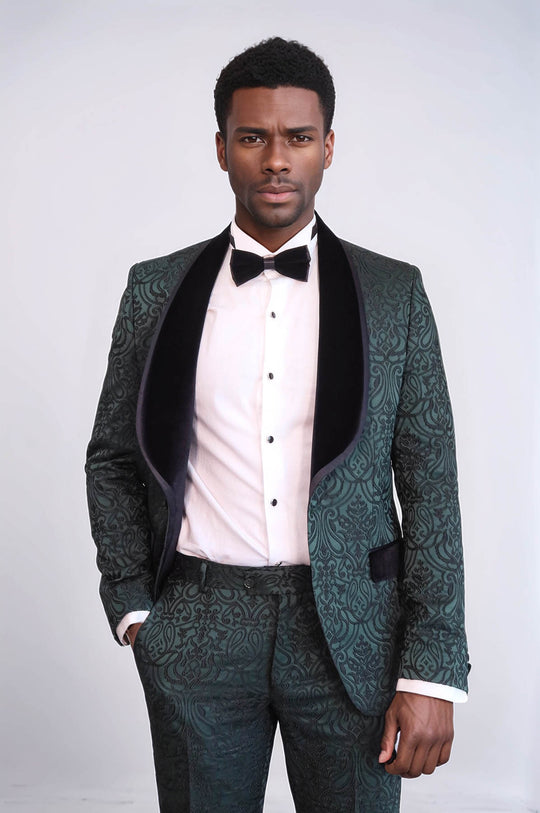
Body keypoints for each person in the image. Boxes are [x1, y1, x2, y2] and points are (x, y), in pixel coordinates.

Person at [86, 37, 469, 813]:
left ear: (327, 147)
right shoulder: (155, 289)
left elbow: (431, 486)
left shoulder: (394, 294)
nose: (275, 160)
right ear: (221, 148)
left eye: (297, 137)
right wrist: (133, 606)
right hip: (198, 622)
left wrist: (431, 669)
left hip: (351, 634)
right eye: (252, 137)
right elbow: (114, 458)